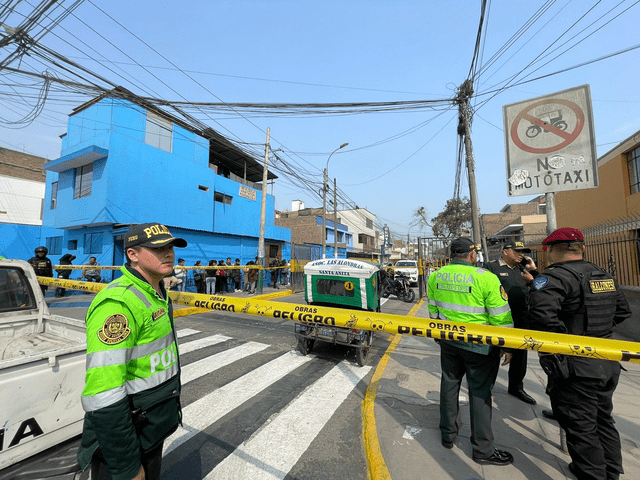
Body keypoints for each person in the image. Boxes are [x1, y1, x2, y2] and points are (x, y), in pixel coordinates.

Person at [77, 222, 186, 480]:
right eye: (158, 248)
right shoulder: (118, 303)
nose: (168, 253)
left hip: (150, 432)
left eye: (170, 246)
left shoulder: (156, 291)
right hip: (126, 443)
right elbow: (103, 394)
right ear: (132, 254)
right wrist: (126, 466)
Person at [528, 228, 631, 480]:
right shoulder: (603, 274)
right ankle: (611, 472)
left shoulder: (554, 278)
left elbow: (542, 318)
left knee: (581, 424)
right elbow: (622, 311)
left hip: (575, 364)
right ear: (582, 248)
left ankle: (592, 474)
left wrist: (560, 343)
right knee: (602, 417)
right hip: (607, 359)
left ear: (549, 250)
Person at [427, 237, 515, 466]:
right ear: (472, 255)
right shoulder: (485, 278)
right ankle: (483, 450)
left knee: (449, 384)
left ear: (452, 255)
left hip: (448, 341)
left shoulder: (436, 275)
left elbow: (433, 308)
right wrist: (507, 345)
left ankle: (447, 435)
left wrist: (438, 335)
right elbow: (501, 316)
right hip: (480, 347)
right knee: (479, 393)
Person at [484, 241, 538, 405]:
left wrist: (533, 271)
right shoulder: (491, 267)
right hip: (498, 320)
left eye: (523, 252)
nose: (521, 254)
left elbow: (542, 286)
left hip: (521, 319)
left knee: (520, 356)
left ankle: (516, 387)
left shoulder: (523, 269)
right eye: (517, 251)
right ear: (506, 252)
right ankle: (486, 386)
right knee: (494, 354)